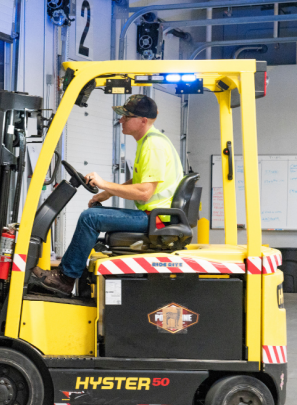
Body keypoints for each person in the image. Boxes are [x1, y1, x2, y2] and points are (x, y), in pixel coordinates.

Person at [31, 94, 183, 297]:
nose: (121, 120)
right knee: (94, 213)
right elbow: (140, 180)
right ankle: (74, 273)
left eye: (126, 117)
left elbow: (145, 192)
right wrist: (106, 192)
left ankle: (66, 279)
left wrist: (104, 183)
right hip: (154, 216)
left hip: (157, 219)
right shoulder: (149, 141)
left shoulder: (153, 145)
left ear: (143, 121)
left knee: (90, 218)